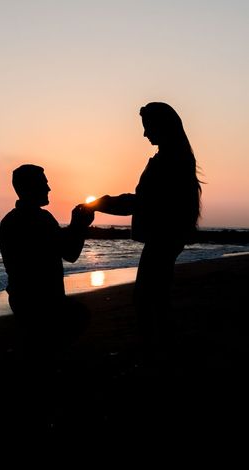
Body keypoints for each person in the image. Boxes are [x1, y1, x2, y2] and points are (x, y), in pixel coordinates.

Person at [89, 102, 202, 352]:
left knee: (146, 299)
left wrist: (99, 204)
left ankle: (156, 353)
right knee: (156, 298)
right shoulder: (175, 157)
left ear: (161, 126)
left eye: (147, 127)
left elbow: (142, 202)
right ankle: (161, 351)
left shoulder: (170, 160)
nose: (144, 134)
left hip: (163, 237)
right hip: (168, 237)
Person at [0, 163, 94, 361]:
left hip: (22, 298)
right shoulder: (40, 220)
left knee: (38, 345)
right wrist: (79, 225)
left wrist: (75, 227)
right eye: (44, 183)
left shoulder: (11, 220)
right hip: (42, 301)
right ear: (30, 187)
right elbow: (70, 253)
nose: (49, 189)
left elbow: (58, 245)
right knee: (69, 326)